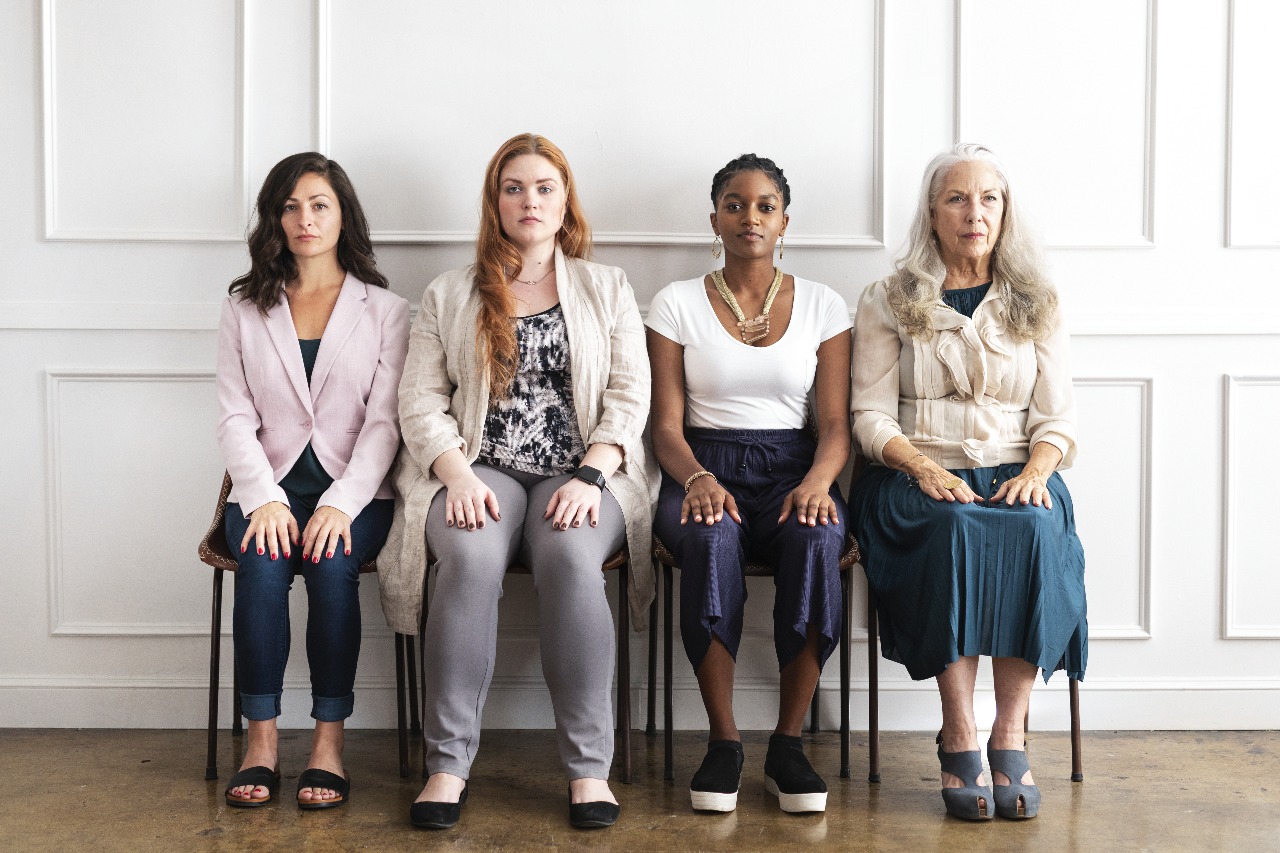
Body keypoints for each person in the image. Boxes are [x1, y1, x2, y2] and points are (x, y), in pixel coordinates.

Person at [377, 133, 655, 831]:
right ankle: (448, 764)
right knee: (467, 560)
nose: (529, 200)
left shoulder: (608, 286)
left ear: (565, 203)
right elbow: (419, 400)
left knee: (569, 557)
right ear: (493, 203)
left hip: (583, 473)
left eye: (543, 187)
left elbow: (629, 393)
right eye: (513, 188)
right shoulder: (449, 293)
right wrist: (455, 472)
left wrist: (592, 475)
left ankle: (589, 770)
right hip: (479, 470)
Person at [850, 143, 1087, 821]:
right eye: (957, 198)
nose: (973, 212)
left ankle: (1009, 731)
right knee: (954, 524)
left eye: (988, 198)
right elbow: (867, 413)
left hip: (1018, 466)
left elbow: (1058, 417)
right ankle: (958, 728)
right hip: (913, 472)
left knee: (1035, 525)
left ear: (1005, 211)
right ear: (932, 211)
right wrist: (923, 467)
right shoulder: (888, 298)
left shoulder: (1037, 301)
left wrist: (1038, 470)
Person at [646, 154, 852, 814]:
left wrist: (820, 481)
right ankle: (725, 741)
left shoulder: (823, 303)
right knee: (708, 536)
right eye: (735, 204)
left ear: (784, 221)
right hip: (701, 464)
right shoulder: (676, 302)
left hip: (796, 468)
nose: (750, 216)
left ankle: (788, 744)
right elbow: (665, 428)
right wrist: (699, 477)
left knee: (819, 540)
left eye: (765, 205)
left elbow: (836, 424)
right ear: (715, 219)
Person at [217, 152, 409, 809]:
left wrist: (340, 504)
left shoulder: (385, 310)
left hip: (355, 490)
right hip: (265, 488)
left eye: (319, 204)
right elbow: (234, 417)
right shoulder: (244, 306)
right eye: (291, 205)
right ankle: (262, 742)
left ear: (342, 214)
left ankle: (329, 744)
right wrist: (265, 497)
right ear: (275, 217)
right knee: (263, 564)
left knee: (332, 566)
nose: (305, 218)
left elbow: (385, 426)